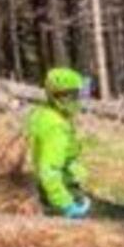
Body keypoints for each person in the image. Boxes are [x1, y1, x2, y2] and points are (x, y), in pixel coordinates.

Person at [27, 67, 92, 217]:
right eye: (76, 96)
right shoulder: (55, 127)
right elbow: (49, 170)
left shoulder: (49, 116)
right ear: (63, 98)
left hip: (62, 188)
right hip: (62, 191)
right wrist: (66, 204)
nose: (80, 102)